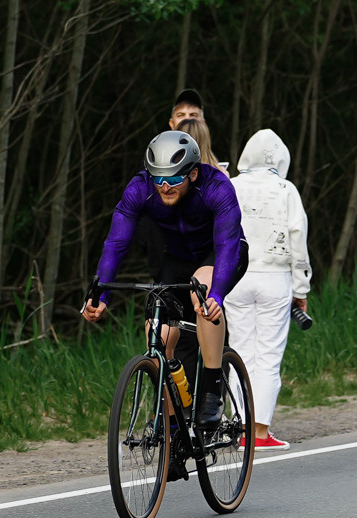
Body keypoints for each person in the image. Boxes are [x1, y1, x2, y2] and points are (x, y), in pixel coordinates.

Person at [83, 129, 248, 426]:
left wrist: (217, 296)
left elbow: (227, 245)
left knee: (201, 292)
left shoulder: (217, 187)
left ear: (193, 174)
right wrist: (101, 295)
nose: (164, 185)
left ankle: (211, 392)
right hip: (177, 257)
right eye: (158, 177)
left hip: (221, 252)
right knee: (156, 330)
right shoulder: (140, 188)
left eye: (173, 178)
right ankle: (172, 424)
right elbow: (116, 242)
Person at [225, 129, 310, 450]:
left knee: (241, 350)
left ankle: (240, 427)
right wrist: (301, 288)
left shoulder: (230, 186)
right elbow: (297, 239)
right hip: (275, 278)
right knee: (268, 355)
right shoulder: (286, 189)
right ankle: (259, 433)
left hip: (235, 278)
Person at [169, 89, 222, 168]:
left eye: (193, 115)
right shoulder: (158, 160)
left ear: (203, 123)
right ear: (171, 123)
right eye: (181, 115)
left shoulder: (218, 173)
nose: (187, 119)